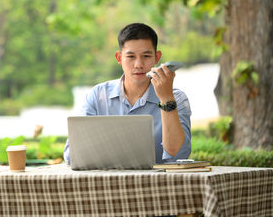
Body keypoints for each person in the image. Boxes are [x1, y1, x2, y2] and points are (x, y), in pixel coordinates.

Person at [64, 23, 191, 164]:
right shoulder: (98, 95)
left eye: (146, 56)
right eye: (131, 56)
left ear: (157, 57)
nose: (138, 64)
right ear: (119, 58)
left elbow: (179, 155)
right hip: (107, 181)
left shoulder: (177, 98)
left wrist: (166, 100)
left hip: (155, 183)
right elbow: (71, 156)